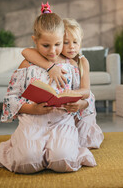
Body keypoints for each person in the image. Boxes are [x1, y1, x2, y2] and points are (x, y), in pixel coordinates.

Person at [0, 2, 96, 174]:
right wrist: (32, 108)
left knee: (63, 160)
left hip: (61, 121)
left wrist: (78, 104)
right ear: (35, 41)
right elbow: (11, 97)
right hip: (32, 121)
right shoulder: (27, 63)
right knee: (26, 163)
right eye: (46, 45)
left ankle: (60, 148)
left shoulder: (71, 65)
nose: (52, 51)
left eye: (58, 44)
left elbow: (87, 95)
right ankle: (22, 147)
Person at [21, 18, 104, 149]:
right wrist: (50, 67)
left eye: (76, 42)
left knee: (83, 143)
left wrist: (71, 95)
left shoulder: (82, 61)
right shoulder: (56, 58)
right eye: (66, 43)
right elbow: (26, 52)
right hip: (65, 109)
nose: (72, 47)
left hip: (81, 106)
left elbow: (86, 91)